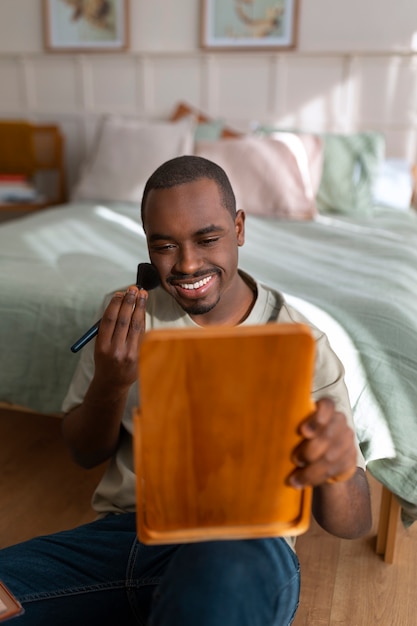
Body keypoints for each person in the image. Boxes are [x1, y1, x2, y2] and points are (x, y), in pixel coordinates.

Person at [1, 155, 372, 625]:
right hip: (121, 539)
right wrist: (112, 383)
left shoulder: (300, 343)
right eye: (165, 246)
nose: (188, 264)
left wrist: (338, 469)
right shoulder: (128, 317)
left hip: (240, 544)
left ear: (239, 227)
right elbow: (84, 452)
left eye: (207, 238)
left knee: (215, 594)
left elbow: (354, 524)